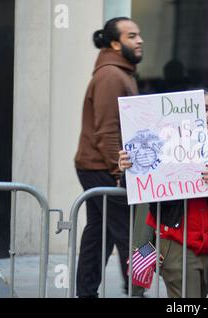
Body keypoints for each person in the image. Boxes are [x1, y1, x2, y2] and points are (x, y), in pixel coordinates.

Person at [118, 89, 208, 298]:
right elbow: (138, 187)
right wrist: (129, 167)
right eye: (205, 109)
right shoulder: (163, 145)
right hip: (177, 243)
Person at [74, 17, 143, 298]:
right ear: (115, 43)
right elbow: (106, 130)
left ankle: (87, 292)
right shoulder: (111, 76)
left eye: (139, 35)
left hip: (99, 166)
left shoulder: (118, 73)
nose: (140, 40)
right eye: (132, 36)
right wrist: (119, 171)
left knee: (99, 234)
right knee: (130, 234)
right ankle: (137, 291)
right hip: (104, 168)